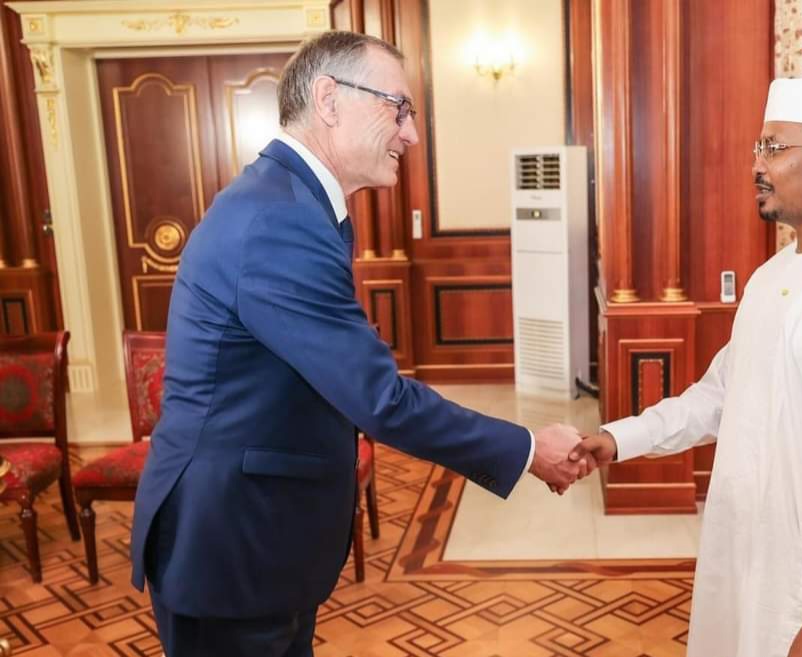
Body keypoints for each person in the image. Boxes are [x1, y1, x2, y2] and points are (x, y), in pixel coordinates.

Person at [130, 31, 592, 657]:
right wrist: (528, 449)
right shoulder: (279, 219)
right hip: (231, 547)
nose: (412, 134)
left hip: (258, 539)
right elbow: (379, 398)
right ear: (328, 100)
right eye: (398, 108)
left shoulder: (289, 201)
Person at [571, 78, 802, 657]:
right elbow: (721, 396)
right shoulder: (772, 275)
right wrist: (617, 439)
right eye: (759, 147)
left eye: (774, 147)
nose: (756, 164)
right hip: (750, 560)